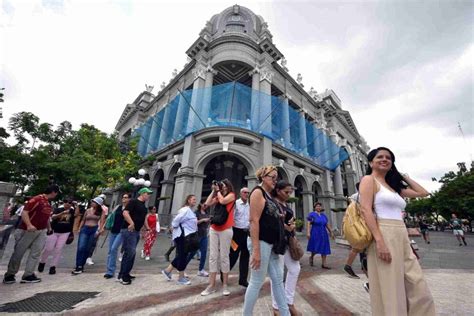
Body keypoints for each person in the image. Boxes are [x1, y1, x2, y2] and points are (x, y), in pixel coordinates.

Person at [359, 146, 435, 315]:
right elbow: (365, 210)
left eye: (389, 158)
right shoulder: (368, 180)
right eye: (380, 157)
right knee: (391, 288)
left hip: (401, 234)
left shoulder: (394, 187)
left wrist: (402, 175)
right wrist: (379, 241)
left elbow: (423, 193)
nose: (385, 159)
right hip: (383, 232)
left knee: (417, 283)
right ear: (371, 162)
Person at [243, 165, 289, 316]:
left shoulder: (269, 196)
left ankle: (285, 313)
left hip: (271, 244)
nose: (275, 180)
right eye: (272, 177)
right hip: (260, 242)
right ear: (263, 177)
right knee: (257, 281)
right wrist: (256, 251)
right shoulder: (258, 192)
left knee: (277, 280)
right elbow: (253, 221)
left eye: (277, 177)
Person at [3, 184, 60, 284]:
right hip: (28, 230)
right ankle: (10, 274)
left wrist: (49, 228)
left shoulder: (47, 203)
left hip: (41, 230)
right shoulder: (36, 199)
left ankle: (28, 274)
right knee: (19, 252)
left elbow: (46, 217)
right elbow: (25, 212)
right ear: (53, 192)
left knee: (36, 253)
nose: (57, 195)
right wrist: (29, 225)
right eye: (57, 193)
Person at [270, 180, 301, 316]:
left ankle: (288, 301)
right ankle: (276, 307)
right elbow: (271, 222)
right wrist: (285, 226)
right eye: (286, 192)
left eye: (290, 192)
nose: (288, 194)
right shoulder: (272, 203)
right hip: (277, 241)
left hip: (288, 240)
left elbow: (289, 221)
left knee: (295, 268)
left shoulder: (286, 204)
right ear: (278, 190)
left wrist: (292, 226)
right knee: (277, 275)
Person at [200, 179, 236, 296]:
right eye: (222, 186)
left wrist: (218, 192)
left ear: (228, 186)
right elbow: (207, 204)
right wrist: (213, 191)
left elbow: (224, 201)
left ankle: (225, 284)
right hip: (214, 228)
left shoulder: (232, 195)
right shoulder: (218, 195)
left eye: (224, 186)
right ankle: (211, 285)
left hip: (226, 229)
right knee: (213, 256)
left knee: (224, 257)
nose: (223, 187)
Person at [118, 187, 152, 285]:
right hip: (129, 230)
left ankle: (124, 273)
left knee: (130, 253)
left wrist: (147, 228)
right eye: (148, 193)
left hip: (136, 231)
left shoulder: (144, 207)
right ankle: (123, 276)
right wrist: (131, 223)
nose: (149, 195)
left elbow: (143, 218)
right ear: (142, 194)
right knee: (130, 252)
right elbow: (125, 212)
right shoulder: (133, 202)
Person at [161, 194, 198, 285]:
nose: (195, 201)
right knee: (182, 256)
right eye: (193, 199)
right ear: (188, 200)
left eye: (195, 200)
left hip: (185, 236)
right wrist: (173, 227)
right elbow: (177, 220)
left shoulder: (189, 210)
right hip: (182, 236)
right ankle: (181, 278)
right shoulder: (185, 210)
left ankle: (167, 271)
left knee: (182, 255)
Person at [38, 198, 75, 275]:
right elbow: (53, 217)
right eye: (66, 202)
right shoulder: (58, 209)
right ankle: (42, 262)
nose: (67, 204)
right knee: (48, 248)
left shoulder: (72, 211)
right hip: (54, 231)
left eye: (70, 202)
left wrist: (76, 205)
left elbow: (77, 216)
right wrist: (63, 213)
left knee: (58, 249)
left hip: (65, 232)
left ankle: (53, 266)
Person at [71, 197, 106, 275]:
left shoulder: (101, 212)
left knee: (88, 248)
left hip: (94, 229)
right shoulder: (87, 210)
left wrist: (100, 230)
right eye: (92, 202)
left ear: (98, 204)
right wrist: (79, 228)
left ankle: (81, 265)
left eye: (94, 202)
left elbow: (102, 222)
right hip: (85, 229)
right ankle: (78, 265)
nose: (92, 203)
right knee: (81, 247)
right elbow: (83, 220)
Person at [103, 192, 129, 279]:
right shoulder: (118, 207)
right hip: (113, 230)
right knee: (110, 250)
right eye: (123, 197)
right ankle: (109, 271)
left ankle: (111, 270)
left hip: (121, 231)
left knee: (114, 248)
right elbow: (111, 217)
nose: (124, 199)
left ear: (129, 199)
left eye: (126, 197)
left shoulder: (129, 209)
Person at [229, 187, 250, 287]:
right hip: (236, 233)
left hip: (247, 233)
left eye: (248, 193)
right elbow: (231, 217)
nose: (246, 194)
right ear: (241, 193)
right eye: (245, 192)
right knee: (233, 255)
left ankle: (243, 279)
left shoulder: (250, 204)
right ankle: (223, 273)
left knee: (245, 257)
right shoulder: (236, 204)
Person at [306, 202, 334, 269]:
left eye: (319, 206)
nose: (318, 207)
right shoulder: (311, 215)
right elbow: (308, 224)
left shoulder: (323, 215)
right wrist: (308, 232)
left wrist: (331, 232)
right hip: (315, 233)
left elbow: (326, 224)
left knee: (324, 248)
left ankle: (324, 264)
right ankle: (311, 257)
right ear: (314, 207)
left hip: (323, 234)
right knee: (315, 247)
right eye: (317, 206)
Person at [343, 183, 362, 279]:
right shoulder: (358, 196)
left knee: (359, 246)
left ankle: (349, 265)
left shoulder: (354, 196)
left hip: (359, 222)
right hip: (362, 222)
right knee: (360, 244)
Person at [187, 203, 211, 277]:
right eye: (204, 204)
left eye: (206, 205)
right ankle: (182, 267)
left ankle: (201, 270)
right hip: (197, 235)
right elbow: (194, 222)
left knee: (204, 253)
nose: (205, 206)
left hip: (204, 235)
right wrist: (203, 220)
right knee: (192, 252)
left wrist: (209, 222)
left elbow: (208, 224)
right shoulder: (196, 213)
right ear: (200, 204)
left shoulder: (207, 213)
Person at [85, 194, 108, 266]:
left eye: (101, 198)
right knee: (85, 242)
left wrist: (101, 228)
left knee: (93, 243)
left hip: (97, 227)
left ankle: (89, 257)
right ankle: (84, 256)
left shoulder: (105, 208)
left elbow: (104, 220)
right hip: (89, 226)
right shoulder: (92, 207)